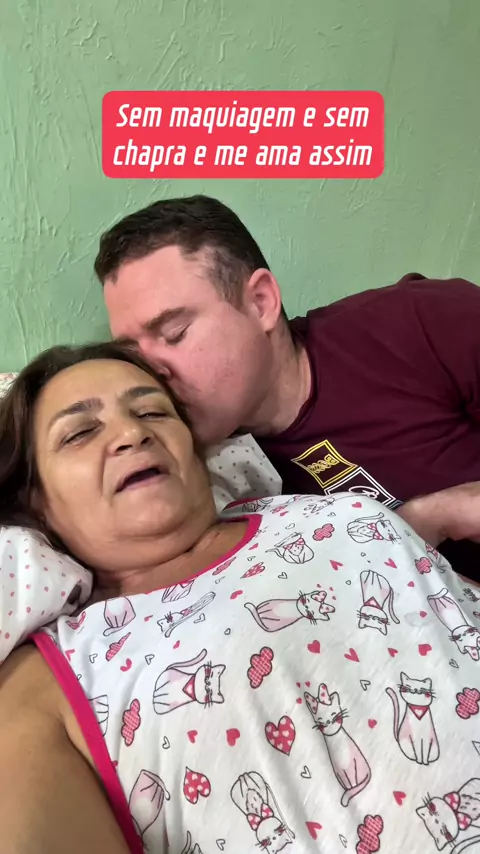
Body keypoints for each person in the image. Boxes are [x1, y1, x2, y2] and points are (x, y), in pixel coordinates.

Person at [1, 341, 480, 854]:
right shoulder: (50, 679)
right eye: (79, 433)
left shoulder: (329, 511)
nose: (132, 433)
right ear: (35, 500)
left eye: (152, 412)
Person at [94, 194, 480, 581]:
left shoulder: (422, 322)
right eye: (134, 356)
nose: (152, 374)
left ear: (260, 302)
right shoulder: (204, 475)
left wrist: (446, 514)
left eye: (174, 333)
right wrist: (422, 519)